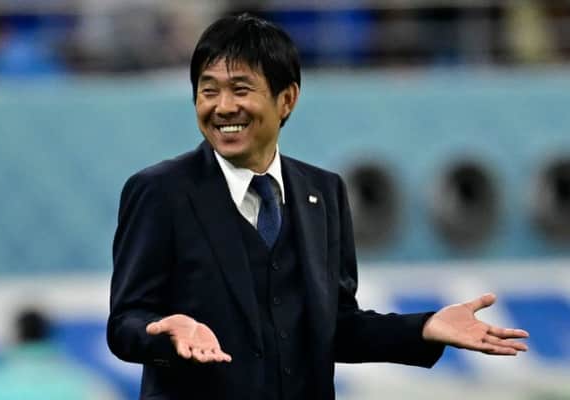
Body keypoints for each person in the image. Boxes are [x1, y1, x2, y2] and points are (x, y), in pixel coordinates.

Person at [107, 13, 529, 400]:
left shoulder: (324, 192)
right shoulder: (159, 191)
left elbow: (338, 326)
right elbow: (125, 323)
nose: (223, 107)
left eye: (240, 89)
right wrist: (164, 336)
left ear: (287, 99)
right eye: (208, 90)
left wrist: (423, 328)